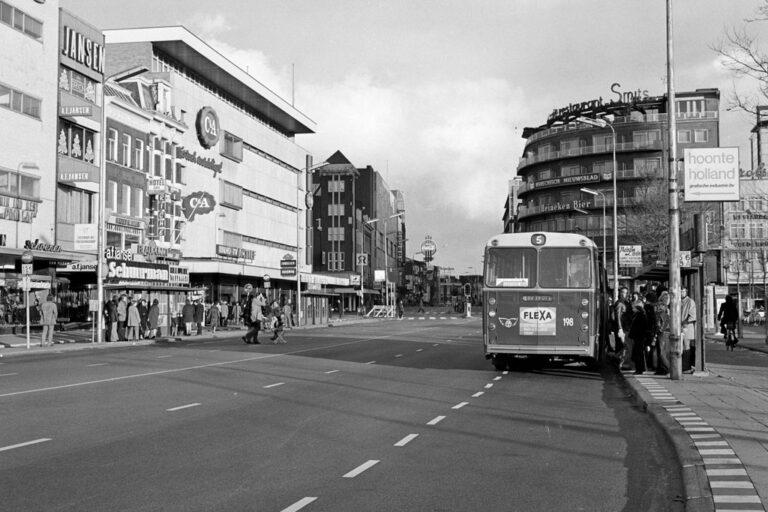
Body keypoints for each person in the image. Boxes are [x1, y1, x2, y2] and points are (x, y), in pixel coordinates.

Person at [628, 300, 648, 375]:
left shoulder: (641, 315)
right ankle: (639, 369)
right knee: (637, 353)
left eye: (634, 307)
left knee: (638, 353)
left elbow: (640, 327)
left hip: (639, 337)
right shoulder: (639, 314)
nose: (632, 309)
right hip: (638, 337)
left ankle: (639, 369)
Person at [654, 290, 671, 376]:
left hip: (664, 331)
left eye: (668, 297)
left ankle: (661, 369)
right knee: (662, 351)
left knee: (661, 350)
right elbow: (664, 319)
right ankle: (669, 368)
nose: (668, 299)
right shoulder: (662, 306)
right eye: (666, 297)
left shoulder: (663, 306)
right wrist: (661, 329)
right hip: (664, 331)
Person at [680, 287, 697, 372]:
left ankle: (686, 366)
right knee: (681, 347)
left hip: (687, 327)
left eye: (683, 291)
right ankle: (683, 365)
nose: (681, 293)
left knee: (686, 346)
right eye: (680, 291)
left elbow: (693, 316)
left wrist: (686, 322)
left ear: (686, 292)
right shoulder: (678, 301)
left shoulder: (690, 301)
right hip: (680, 327)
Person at [612, 287, 631, 360]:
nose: (624, 294)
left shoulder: (626, 303)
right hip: (621, 328)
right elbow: (618, 317)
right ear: (620, 293)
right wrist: (620, 328)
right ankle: (617, 363)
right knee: (620, 346)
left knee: (624, 346)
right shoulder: (619, 303)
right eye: (623, 292)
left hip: (626, 327)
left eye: (626, 292)